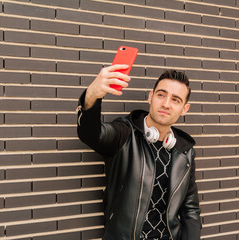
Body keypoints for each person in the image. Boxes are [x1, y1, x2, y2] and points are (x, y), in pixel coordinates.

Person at [76, 64, 201, 240]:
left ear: (184, 108)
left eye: (175, 100)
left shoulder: (184, 152)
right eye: (161, 95)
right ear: (151, 97)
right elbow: (91, 134)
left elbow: (191, 209)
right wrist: (91, 96)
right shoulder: (124, 134)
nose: (166, 104)